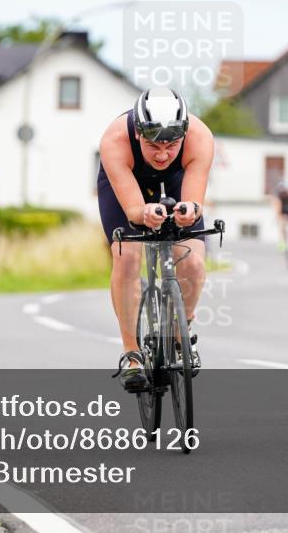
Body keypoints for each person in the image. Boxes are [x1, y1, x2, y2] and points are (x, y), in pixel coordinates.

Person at [97, 88, 215, 391]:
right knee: (128, 257)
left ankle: (181, 334)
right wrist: (142, 212)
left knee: (193, 261)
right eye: (153, 145)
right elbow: (135, 210)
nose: (162, 154)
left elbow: (194, 201)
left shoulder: (200, 138)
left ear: (184, 133)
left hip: (178, 180)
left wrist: (190, 211)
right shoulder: (115, 141)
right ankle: (132, 354)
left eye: (172, 144)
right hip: (127, 181)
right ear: (138, 134)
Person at [272, 181, 288, 252]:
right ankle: (282, 245)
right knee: (282, 229)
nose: (283, 194)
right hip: (282, 212)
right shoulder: (278, 197)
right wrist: (278, 217)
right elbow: (278, 207)